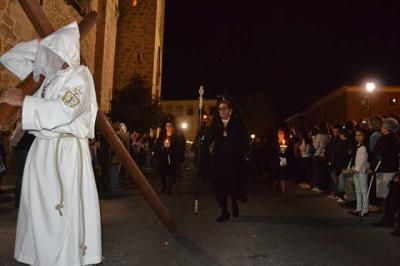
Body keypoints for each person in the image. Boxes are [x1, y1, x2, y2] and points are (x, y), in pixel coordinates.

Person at [0, 22, 102, 265]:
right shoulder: (47, 79)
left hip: (64, 155)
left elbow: (64, 110)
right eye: (49, 52)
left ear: (67, 50)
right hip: (42, 154)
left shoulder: (80, 76)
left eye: (57, 50)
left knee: (59, 218)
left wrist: (24, 102)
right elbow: (10, 57)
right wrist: (43, 46)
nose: (50, 57)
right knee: (38, 214)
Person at [203, 95, 248, 222]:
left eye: (224, 108)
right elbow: (208, 139)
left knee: (233, 185)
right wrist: (203, 135)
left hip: (234, 161)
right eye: (219, 109)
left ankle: (234, 202)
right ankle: (224, 211)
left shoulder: (237, 124)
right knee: (220, 187)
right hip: (219, 161)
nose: (222, 111)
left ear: (230, 110)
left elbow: (244, 140)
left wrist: (242, 152)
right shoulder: (215, 124)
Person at [155, 119, 185, 195]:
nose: (168, 127)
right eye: (166, 126)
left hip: (173, 157)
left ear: (172, 127)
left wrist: (172, 148)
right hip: (164, 157)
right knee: (163, 173)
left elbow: (180, 146)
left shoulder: (176, 136)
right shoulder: (162, 135)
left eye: (169, 126)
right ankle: (164, 185)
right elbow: (158, 145)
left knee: (171, 173)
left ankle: (170, 188)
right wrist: (162, 147)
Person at [349, 129, 370, 216]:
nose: (357, 137)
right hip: (356, 170)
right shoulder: (357, 146)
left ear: (364, 136)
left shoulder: (364, 147)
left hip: (362, 171)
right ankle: (358, 208)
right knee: (357, 190)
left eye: (360, 135)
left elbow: (362, 161)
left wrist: (356, 169)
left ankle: (364, 210)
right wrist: (352, 168)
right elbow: (354, 159)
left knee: (364, 190)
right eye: (356, 135)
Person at [271, 129, 290, 199]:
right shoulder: (275, 142)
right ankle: (274, 191)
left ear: (284, 134)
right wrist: (279, 149)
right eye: (279, 133)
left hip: (283, 162)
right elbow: (273, 151)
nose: (281, 135)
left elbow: (288, 152)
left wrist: (285, 150)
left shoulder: (286, 142)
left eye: (282, 133)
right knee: (276, 178)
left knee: (283, 178)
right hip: (276, 162)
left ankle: (284, 194)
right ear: (277, 134)